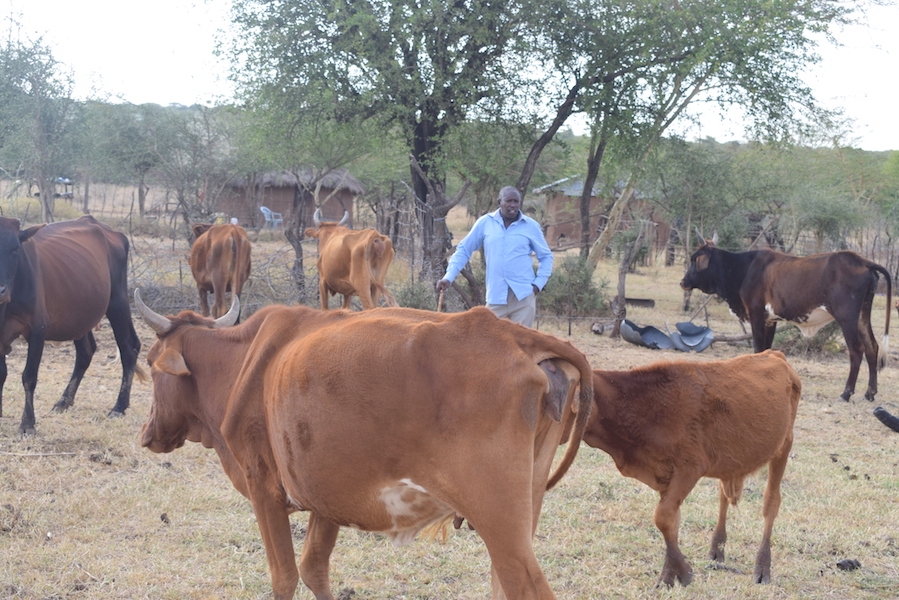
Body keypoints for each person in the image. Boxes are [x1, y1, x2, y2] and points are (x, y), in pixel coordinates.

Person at [436, 186, 553, 327]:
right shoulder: (485, 223)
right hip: (496, 295)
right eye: (508, 201)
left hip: (523, 296)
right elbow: (463, 250)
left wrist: (537, 285)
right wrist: (448, 277)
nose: (513, 205)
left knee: (522, 344)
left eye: (516, 201)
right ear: (499, 202)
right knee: (487, 341)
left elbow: (546, 256)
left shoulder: (531, 226)